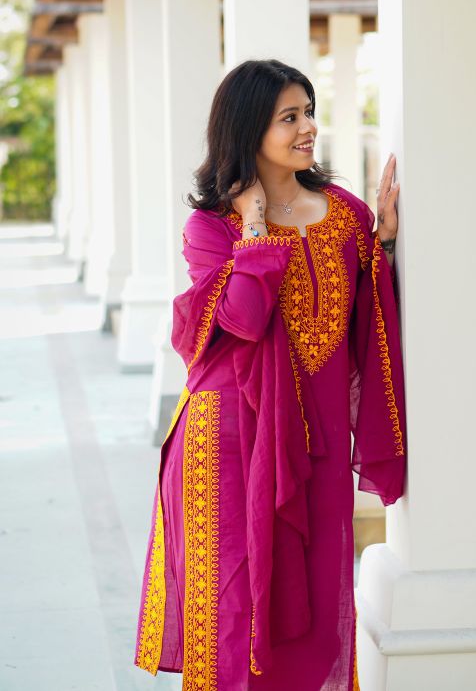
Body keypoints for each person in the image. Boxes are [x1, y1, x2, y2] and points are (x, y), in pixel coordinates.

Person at [134, 59, 407, 690]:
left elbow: (366, 320)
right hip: (227, 444)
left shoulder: (347, 215)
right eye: (290, 117)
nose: (308, 127)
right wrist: (255, 227)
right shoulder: (212, 227)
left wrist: (386, 246)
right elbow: (244, 318)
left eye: (308, 112)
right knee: (232, 619)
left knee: (317, 619)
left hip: (317, 449)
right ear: (249, 128)